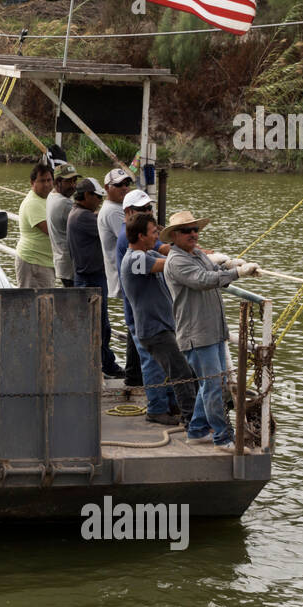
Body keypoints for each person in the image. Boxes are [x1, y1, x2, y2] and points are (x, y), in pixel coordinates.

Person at [161, 210, 260, 453]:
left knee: (212, 385)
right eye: (187, 231)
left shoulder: (196, 254)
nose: (193, 234)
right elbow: (203, 280)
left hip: (214, 330)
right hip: (197, 334)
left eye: (195, 229)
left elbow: (215, 275)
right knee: (214, 386)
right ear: (174, 235)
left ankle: (196, 431)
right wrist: (238, 272)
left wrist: (230, 266)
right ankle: (223, 438)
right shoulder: (177, 261)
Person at [121, 213, 197, 427]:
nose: (156, 237)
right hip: (154, 330)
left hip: (161, 327)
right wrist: (194, 259)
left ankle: (177, 410)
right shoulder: (136, 259)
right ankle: (192, 419)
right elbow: (170, 265)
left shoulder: (145, 253)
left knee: (177, 370)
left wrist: (196, 253)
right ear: (140, 236)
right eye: (153, 232)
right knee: (181, 372)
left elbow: (166, 254)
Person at [114, 191, 176, 421]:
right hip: (141, 313)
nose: (149, 212)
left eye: (150, 208)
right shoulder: (131, 246)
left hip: (151, 312)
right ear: (129, 213)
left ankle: (169, 403)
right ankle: (157, 409)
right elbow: (164, 261)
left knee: (162, 361)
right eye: (143, 210)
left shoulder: (140, 242)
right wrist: (196, 259)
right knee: (151, 361)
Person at [67, 177, 124, 378]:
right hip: (91, 278)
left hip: (88, 276)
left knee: (97, 325)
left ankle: (101, 365)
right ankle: (105, 366)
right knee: (99, 327)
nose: (100, 200)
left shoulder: (78, 213)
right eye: (97, 196)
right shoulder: (83, 217)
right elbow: (105, 225)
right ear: (87, 196)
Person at [98, 167, 141, 385]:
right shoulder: (115, 212)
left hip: (124, 272)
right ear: (107, 188)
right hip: (127, 275)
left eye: (127, 184)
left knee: (135, 322)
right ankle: (134, 374)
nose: (124, 188)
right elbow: (136, 238)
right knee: (136, 323)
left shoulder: (113, 209)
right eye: (119, 185)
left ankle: (134, 372)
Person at [15, 161, 56, 288]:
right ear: (32, 183)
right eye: (42, 181)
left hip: (44, 262)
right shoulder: (32, 203)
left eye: (49, 180)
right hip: (34, 263)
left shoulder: (49, 198)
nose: (47, 184)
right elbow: (51, 230)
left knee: (44, 303)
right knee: (34, 304)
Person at [44, 163, 80, 287]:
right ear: (58, 182)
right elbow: (85, 217)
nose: (73, 185)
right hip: (70, 266)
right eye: (69, 181)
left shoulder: (52, 195)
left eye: (75, 181)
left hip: (62, 263)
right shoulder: (64, 203)